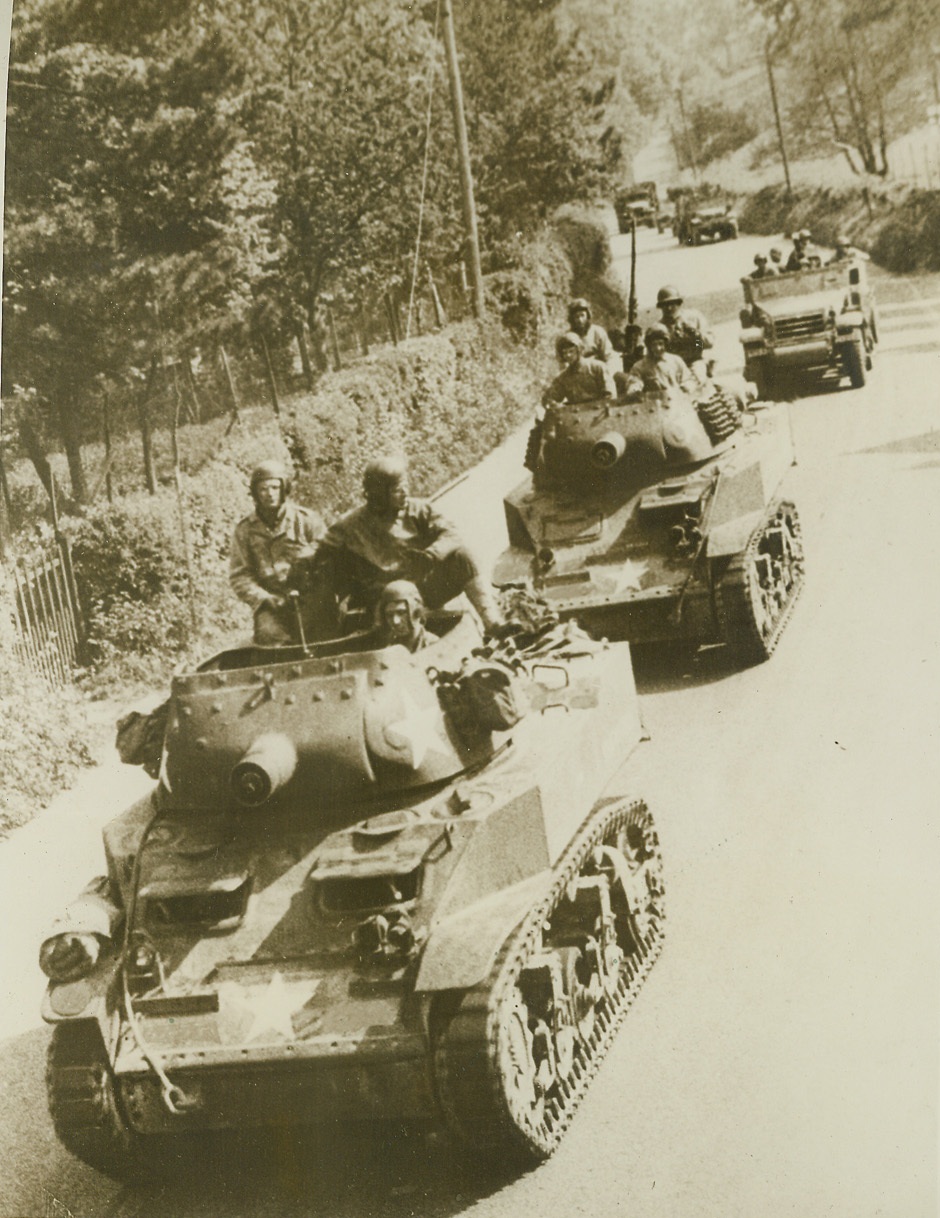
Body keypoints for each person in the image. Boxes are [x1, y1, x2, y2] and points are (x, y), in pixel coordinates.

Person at [304, 456, 504, 634]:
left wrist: (432, 554)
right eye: (397, 490)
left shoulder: (418, 510)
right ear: (379, 494)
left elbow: (451, 533)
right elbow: (319, 549)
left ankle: (492, 622)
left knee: (463, 556)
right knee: (395, 591)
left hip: (423, 588)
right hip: (385, 597)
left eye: (405, 486)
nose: (405, 493)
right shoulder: (350, 525)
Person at [229, 459, 325, 646]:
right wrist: (265, 598)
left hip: (310, 598)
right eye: (263, 489)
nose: (269, 494)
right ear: (255, 493)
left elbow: (328, 556)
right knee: (269, 637)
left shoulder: (306, 520)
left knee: (324, 638)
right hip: (272, 603)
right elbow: (240, 576)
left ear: (284, 489)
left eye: (274, 487)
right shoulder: (245, 530)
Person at [618, 323, 698, 398]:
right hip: (653, 406)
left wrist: (685, 387)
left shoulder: (676, 361)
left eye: (660, 344)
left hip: (676, 401)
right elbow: (634, 383)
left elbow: (689, 379)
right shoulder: (640, 366)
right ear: (649, 345)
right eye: (654, 344)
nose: (658, 348)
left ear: (666, 344)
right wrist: (635, 391)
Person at [655, 285, 714, 384]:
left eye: (672, 304)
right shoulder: (658, 327)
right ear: (660, 307)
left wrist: (696, 336)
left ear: (678, 303)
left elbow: (708, 344)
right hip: (671, 367)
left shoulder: (693, 318)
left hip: (693, 362)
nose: (669, 308)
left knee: (697, 382)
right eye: (665, 305)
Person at [542, 332, 616, 405]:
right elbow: (550, 398)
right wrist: (553, 404)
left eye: (571, 351)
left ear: (578, 350)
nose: (568, 355)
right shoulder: (563, 378)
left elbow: (610, 395)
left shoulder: (597, 368)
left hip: (600, 412)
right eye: (565, 353)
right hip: (575, 414)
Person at [371, 580, 433, 652]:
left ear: (417, 612)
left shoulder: (434, 645)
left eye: (401, 612)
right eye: (389, 615)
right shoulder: (387, 646)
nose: (395, 621)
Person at [566, 298, 616, 368]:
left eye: (582, 315)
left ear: (587, 316)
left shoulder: (598, 332)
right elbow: (564, 362)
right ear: (572, 319)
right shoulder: (568, 337)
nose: (580, 320)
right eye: (576, 317)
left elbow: (609, 357)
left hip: (597, 371)